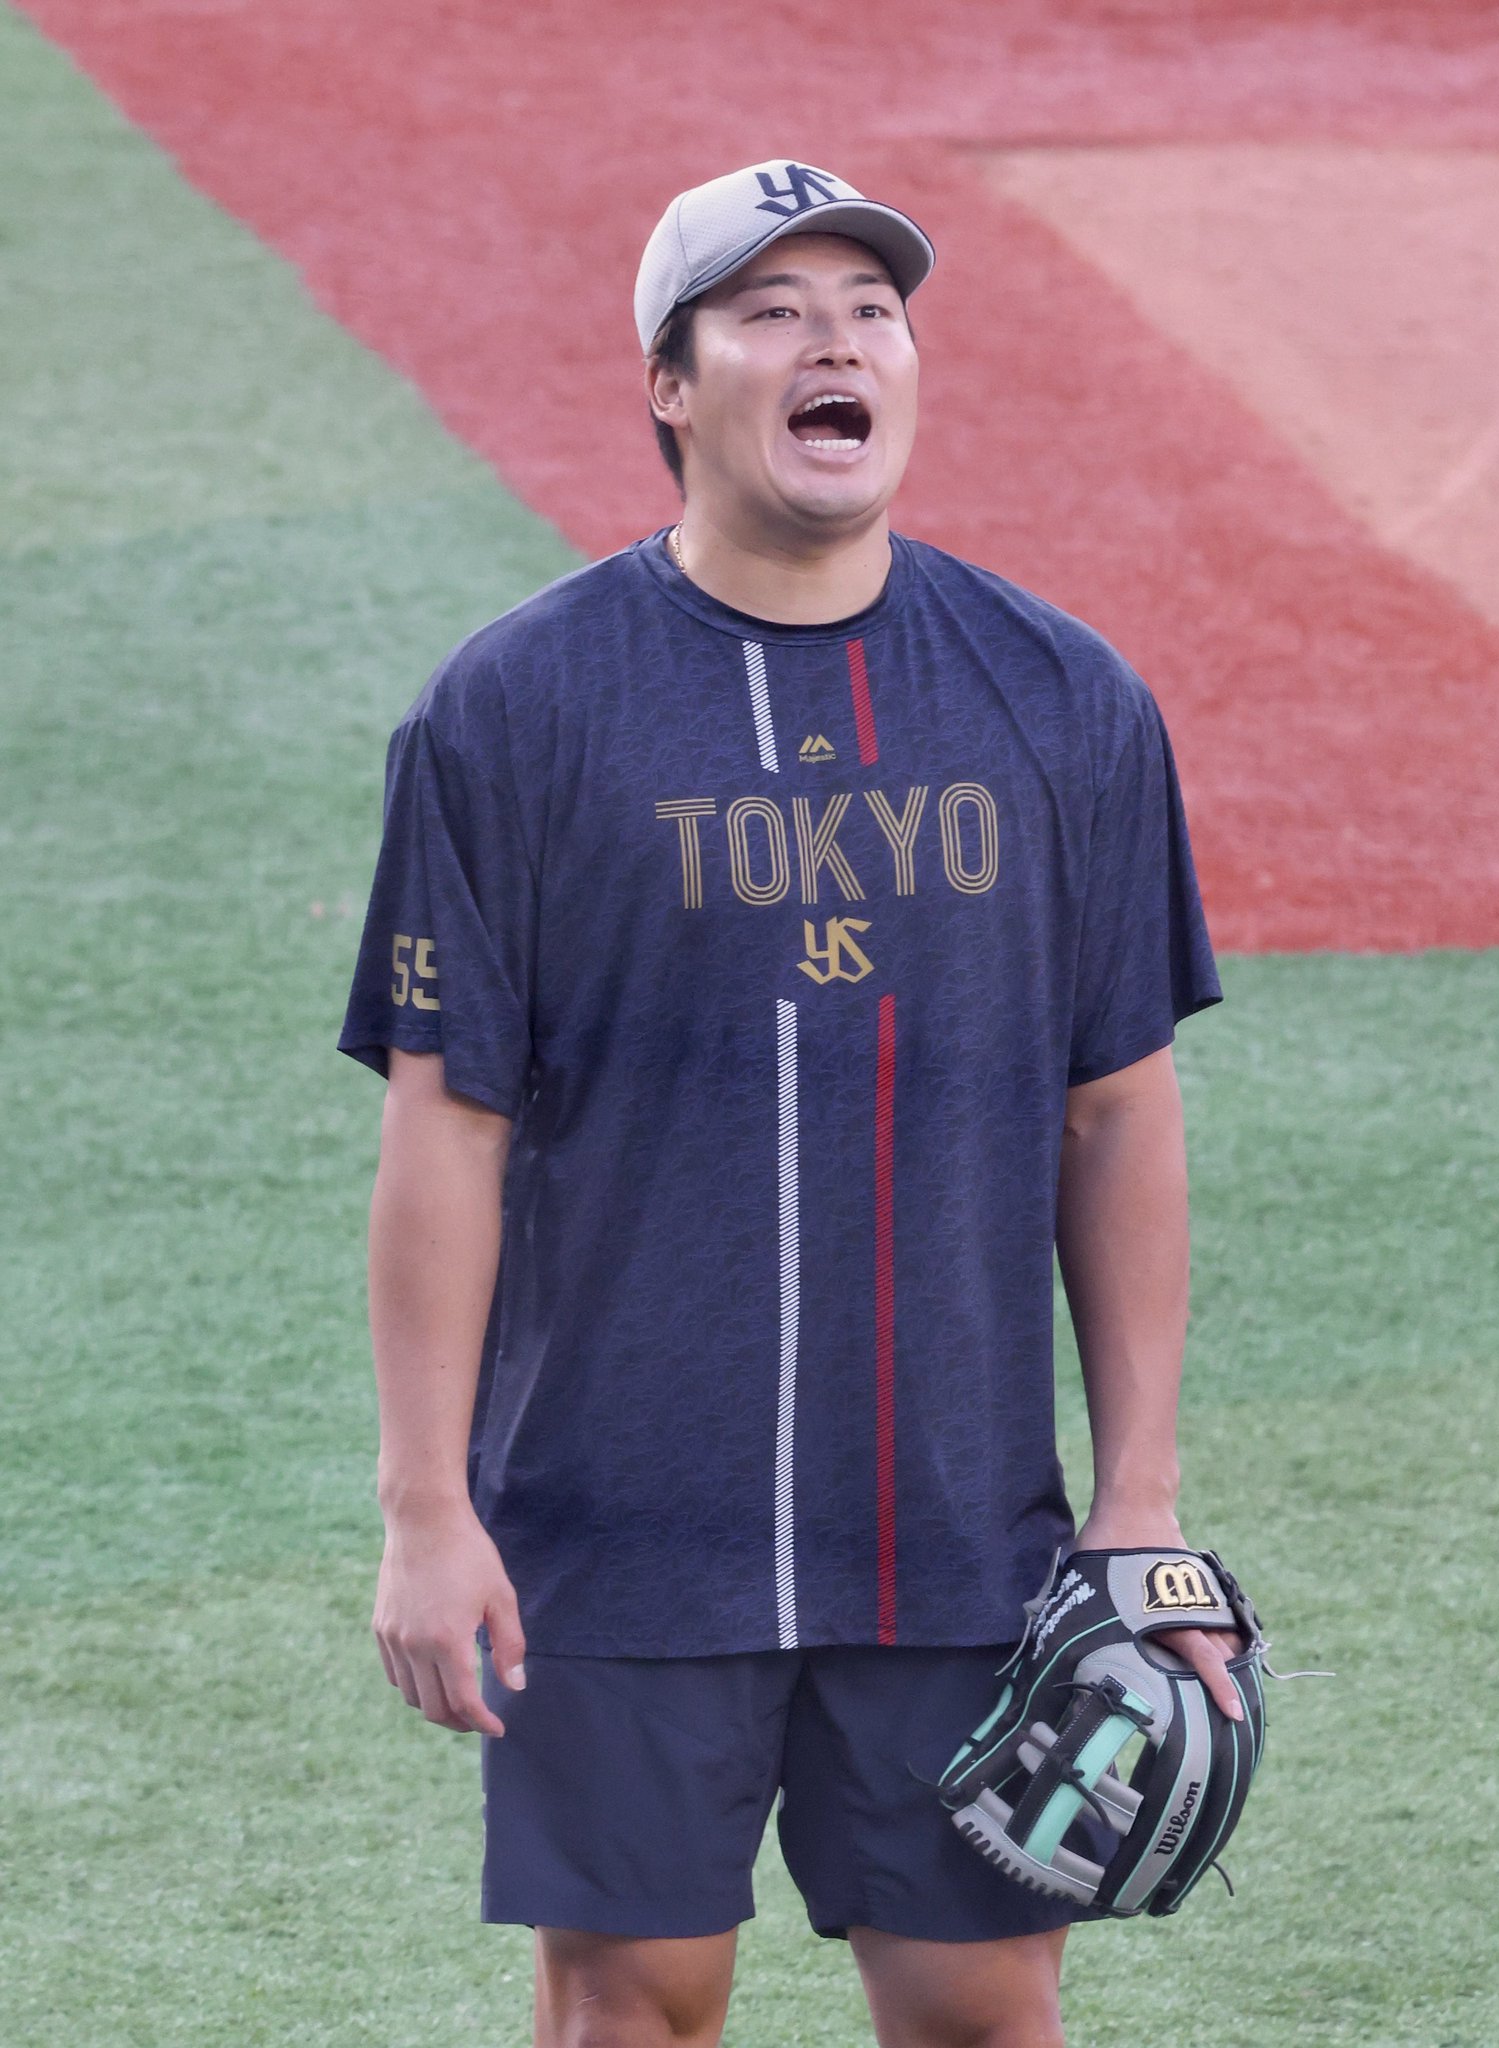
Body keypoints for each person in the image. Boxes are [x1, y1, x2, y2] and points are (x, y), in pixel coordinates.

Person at [339, 158, 1241, 2048]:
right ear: (670, 388)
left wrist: (1139, 1507)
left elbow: (1118, 1115)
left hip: (961, 1534)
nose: (836, 342)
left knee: (984, 2015)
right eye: (771, 313)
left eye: (871, 312)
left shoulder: (1065, 702)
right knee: (632, 2014)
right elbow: (448, 1130)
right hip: (615, 1530)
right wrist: (426, 1509)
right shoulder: (515, 711)